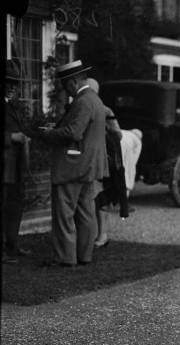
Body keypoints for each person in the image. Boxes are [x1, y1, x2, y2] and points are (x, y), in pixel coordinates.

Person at [29, 60, 107, 267]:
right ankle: (84, 255)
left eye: (64, 85)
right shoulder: (94, 99)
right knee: (86, 212)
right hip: (88, 166)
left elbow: (74, 132)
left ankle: (65, 259)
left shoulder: (82, 101)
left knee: (65, 214)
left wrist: (48, 133)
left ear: (72, 82)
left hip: (73, 166)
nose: (65, 89)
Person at [85, 78, 128, 248]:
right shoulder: (83, 106)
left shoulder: (104, 110)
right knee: (92, 198)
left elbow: (118, 134)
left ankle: (102, 235)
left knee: (102, 198)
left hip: (105, 160)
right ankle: (94, 234)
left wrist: (104, 132)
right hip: (89, 159)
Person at [3, 59, 31, 264]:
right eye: (9, 82)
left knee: (15, 205)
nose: (13, 87)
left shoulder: (12, 106)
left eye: (15, 83)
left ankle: (12, 245)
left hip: (15, 166)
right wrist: (11, 137)